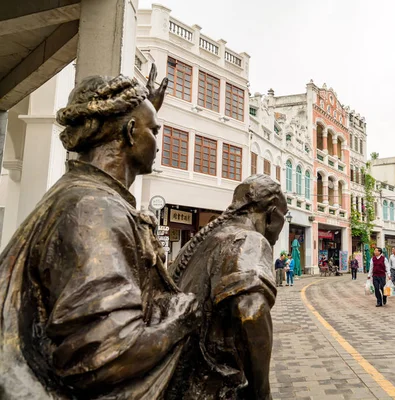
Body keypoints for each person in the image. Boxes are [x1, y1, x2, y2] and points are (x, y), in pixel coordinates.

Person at [0, 68, 204, 399]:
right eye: (154, 131)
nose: (158, 142)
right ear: (129, 132)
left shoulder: (87, 195)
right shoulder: (95, 209)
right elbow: (103, 356)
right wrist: (180, 319)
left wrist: (144, 107)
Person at [168, 174, 287, 398]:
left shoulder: (205, 240)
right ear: (271, 215)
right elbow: (252, 312)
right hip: (213, 385)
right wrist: (261, 392)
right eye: (284, 216)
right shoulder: (248, 240)